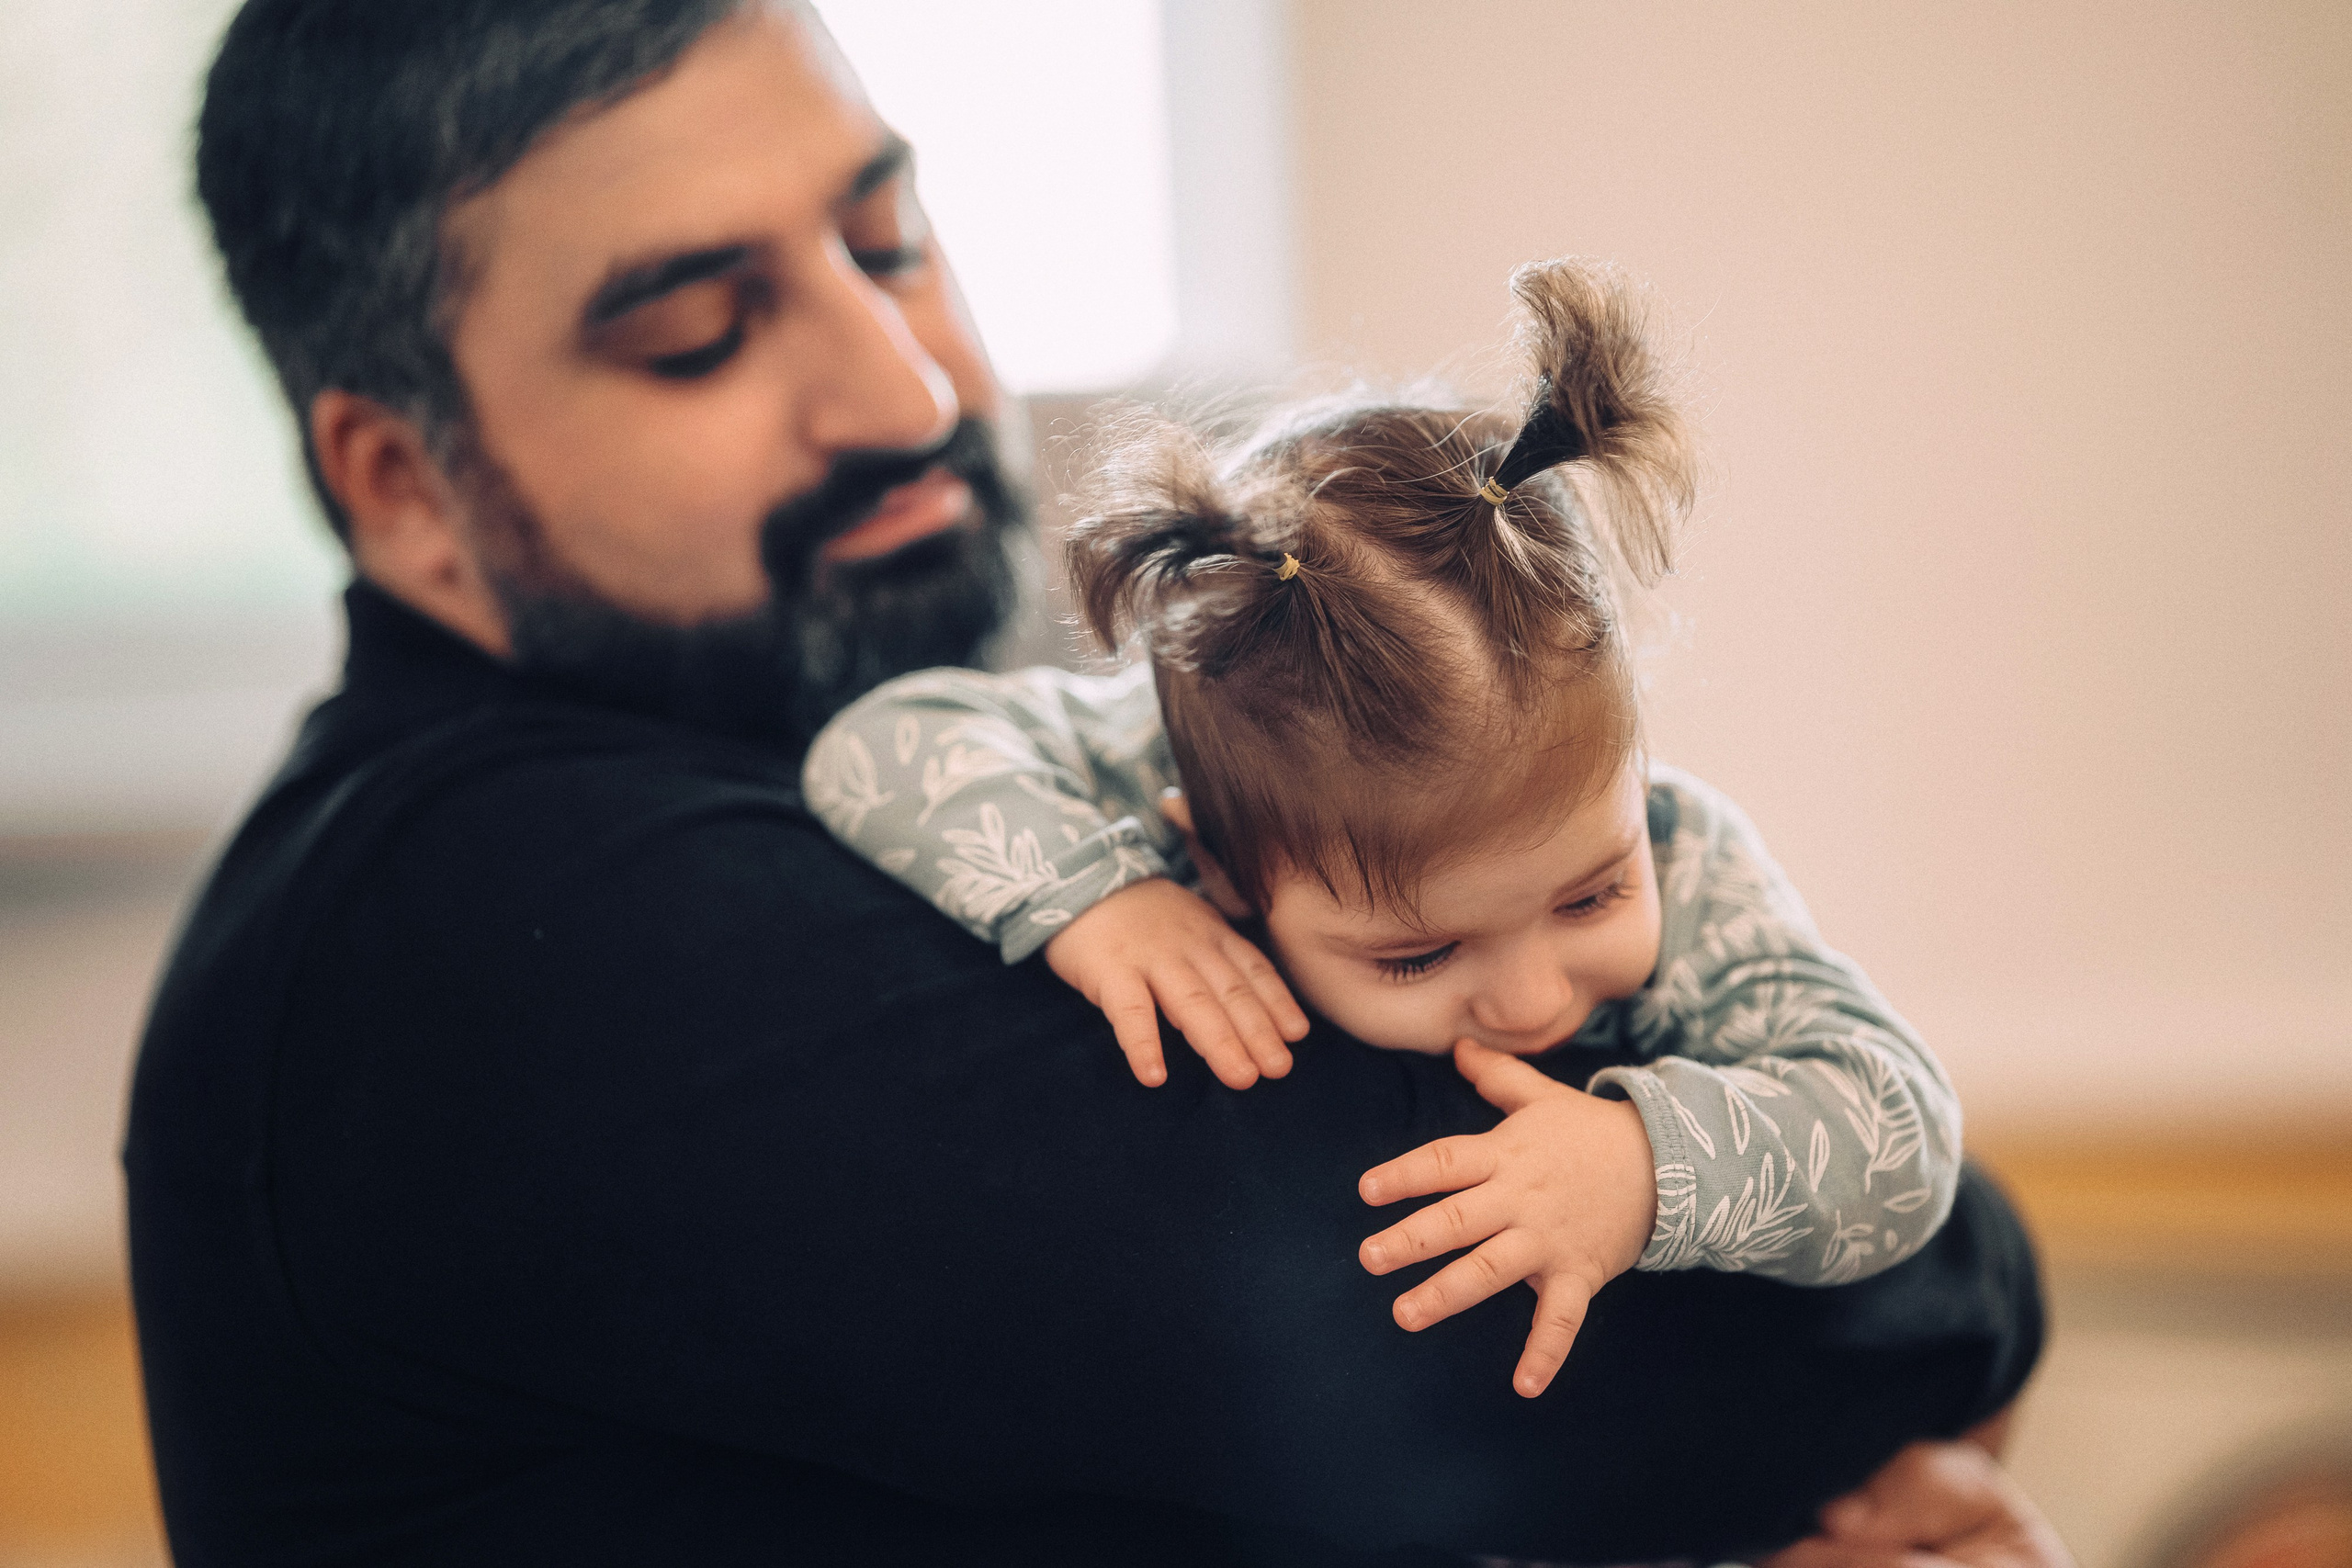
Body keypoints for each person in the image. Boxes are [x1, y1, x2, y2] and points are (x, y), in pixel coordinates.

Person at [124, 1, 2052, 1563]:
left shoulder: (883, 791)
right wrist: (1962, 1257)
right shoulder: (501, 928)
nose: (904, 386)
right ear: (404, 484)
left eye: (888, 241)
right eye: (697, 334)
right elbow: (1651, 1369)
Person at [805, 257, 1962, 1402]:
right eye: (1418, 954)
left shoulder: (1688, 860)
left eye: (1593, 895)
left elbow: (1902, 1136)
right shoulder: (1157, 772)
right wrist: (1102, 897)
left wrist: (1645, 1166)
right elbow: (878, 743)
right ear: (1216, 862)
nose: (1532, 1000)